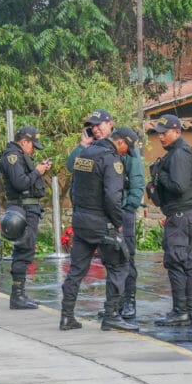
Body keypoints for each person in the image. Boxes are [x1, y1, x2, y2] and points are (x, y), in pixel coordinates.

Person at [60, 128, 138, 332]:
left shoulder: (85, 153)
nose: (125, 154)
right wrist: (117, 221)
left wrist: (80, 213)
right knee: (120, 265)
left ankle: (67, 316)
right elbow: (113, 196)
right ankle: (111, 315)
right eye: (126, 149)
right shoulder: (111, 160)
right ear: (120, 142)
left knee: (77, 270)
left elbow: (74, 188)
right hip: (101, 223)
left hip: (81, 220)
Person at [147, 114, 192, 326]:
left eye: (165, 132)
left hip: (181, 216)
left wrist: (160, 175)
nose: (161, 137)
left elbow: (179, 186)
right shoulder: (178, 153)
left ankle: (181, 311)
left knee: (176, 261)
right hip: (183, 214)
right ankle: (188, 311)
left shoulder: (179, 153)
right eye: (159, 133)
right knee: (184, 262)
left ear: (177, 131)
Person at [0, 126, 51, 310]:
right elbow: (20, 183)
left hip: (29, 208)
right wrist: (38, 171)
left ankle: (20, 293)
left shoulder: (20, 156)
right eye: (32, 146)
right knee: (23, 251)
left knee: (26, 250)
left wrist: (39, 170)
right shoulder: (12, 157)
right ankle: (17, 296)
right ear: (24, 141)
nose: (33, 150)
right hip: (23, 209)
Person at [118, 127, 145, 320]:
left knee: (127, 257)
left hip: (124, 212)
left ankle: (129, 301)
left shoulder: (132, 157)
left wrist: (127, 208)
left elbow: (137, 186)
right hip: (110, 211)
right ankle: (116, 302)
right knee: (112, 259)